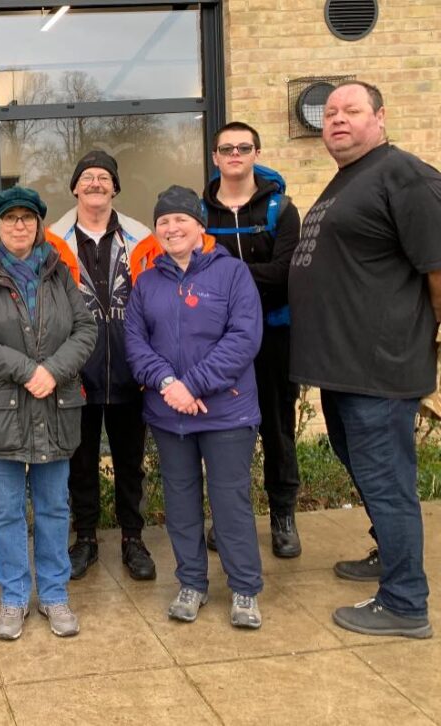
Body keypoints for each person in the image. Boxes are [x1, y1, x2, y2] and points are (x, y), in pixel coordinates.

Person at [290, 81, 438, 639]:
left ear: (381, 116)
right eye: (330, 113)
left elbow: (436, 266)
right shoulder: (351, 179)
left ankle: (405, 602)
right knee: (371, 478)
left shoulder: (405, 175)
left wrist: (424, 338)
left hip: (378, 368)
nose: (337, 120)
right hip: (342, 368)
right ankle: (390, 555)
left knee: (387, 481)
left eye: (351, 110)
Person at [0, 186, 97, 640]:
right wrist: (26, 370)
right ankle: (15, 599)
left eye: (28, 218)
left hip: (55, 405)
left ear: (38, 225)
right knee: (8, 511)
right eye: (11, 218)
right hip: (2, 410)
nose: (20, 225)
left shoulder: (57, 271)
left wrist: (53, 371)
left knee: (55, 508)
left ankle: (54, 595)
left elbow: (86, 327)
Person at [125, 186, 264, 629]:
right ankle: (191, 583)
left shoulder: (233, 274)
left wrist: (193, 385)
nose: (171, 227)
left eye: (180, 219)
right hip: (169, 415)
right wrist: (168, 383)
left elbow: (244, 339)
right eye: (163, 221)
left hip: (227, 412)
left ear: (199, 225)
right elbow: (135, 343)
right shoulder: (146, 282)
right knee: (181, 503)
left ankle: (244, 589)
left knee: (230, 502)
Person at [46, 150, 158, 581]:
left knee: (131, 462)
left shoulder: (141, 237)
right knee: (80, 461)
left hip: (132, 371)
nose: (95, 183)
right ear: (75, 187)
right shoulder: (52, 241)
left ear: (115, 187)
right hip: (77, 372)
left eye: (104, 177)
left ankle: (133, 539)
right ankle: (86, 538)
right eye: (87, 177)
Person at [203, 122, 303, 558]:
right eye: (227, 148)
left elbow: (288, 273)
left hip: (275, 334)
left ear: (256, 153)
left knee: (278, 429)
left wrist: (228, 279)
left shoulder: (282, 210)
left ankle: (283, 515)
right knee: (225, 432)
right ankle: (227, 516)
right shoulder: (202, 213)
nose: (236, 154)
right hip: (218, 342)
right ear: (215, 158)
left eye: (244, 147)